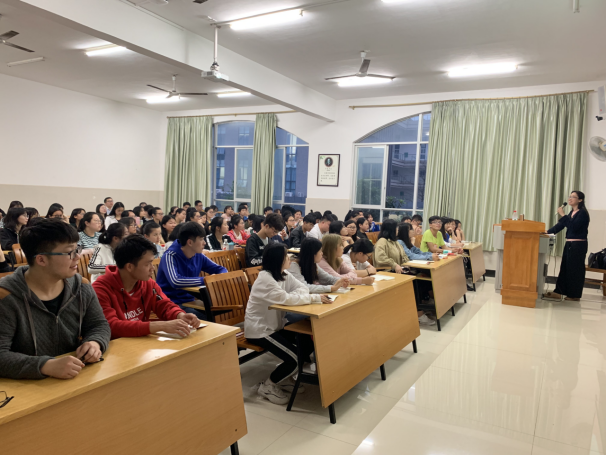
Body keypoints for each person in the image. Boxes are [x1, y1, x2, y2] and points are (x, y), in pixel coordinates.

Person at [0, 219, 110, 379]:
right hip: (26, 387)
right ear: (41, 259)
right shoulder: (5, 296)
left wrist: (95, 342)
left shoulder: (82, 286)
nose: (77, 256)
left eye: (77, 249)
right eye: (69, 252)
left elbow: (98, 324)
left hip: (77, 378)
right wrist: (44, 365)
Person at [245, 243, 322, 405]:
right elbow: (287, 299)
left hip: (276, 326)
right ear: (277, 260)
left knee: (307, 342)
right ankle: (268, 386)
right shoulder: (265, 280)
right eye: (286, 256)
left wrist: (293, 296)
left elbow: (302, 288)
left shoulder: (283, 274)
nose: (290, 258)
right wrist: (312, 298)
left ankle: (284, 377)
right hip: (260, 330)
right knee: (294, 359)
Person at [93, 235, 200, 339]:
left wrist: (179, 315)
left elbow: (164, 305)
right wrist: (161, 326)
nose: (152, 268)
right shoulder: (100, 289)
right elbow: (111, 326)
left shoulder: (148, 283)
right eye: (147, 264)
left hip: (140, 342)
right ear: (129, 267)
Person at [156, 222, 227, 319]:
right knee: (208, 318)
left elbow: (221, 269)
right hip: (171, 303)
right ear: (190, 242)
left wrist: (220, 276)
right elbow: (176, 281)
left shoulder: (198, 255)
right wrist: (206, 280)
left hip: (190, 301)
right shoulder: (170, 256)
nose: (204, 243)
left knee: (221, 312)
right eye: (201, 239)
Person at [375, 220, 436, 326]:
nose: (397, 230)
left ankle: (422, 306)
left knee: (420, 279)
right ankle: (419, 314)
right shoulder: (382, 241)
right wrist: (394, 265)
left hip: (399, 270)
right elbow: (380, 258)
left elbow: (404, 256)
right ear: (391, 229)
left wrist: (406, 264)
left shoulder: (395, 242)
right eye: (396, 228)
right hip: (387, 271)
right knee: (413, 282)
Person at [544, 190, 591, 301]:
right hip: (569, 244)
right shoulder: (572, 213)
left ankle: (574, 295)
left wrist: (563, 215)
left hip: (578, 245)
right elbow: (561, 225)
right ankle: (559, 292)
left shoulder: (582, 213)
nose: (570, 198)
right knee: (565, 268)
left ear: (580, 200)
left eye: (573, 197)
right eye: (569, 196)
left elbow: (573, 227)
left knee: (575, 269)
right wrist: (548, 232)